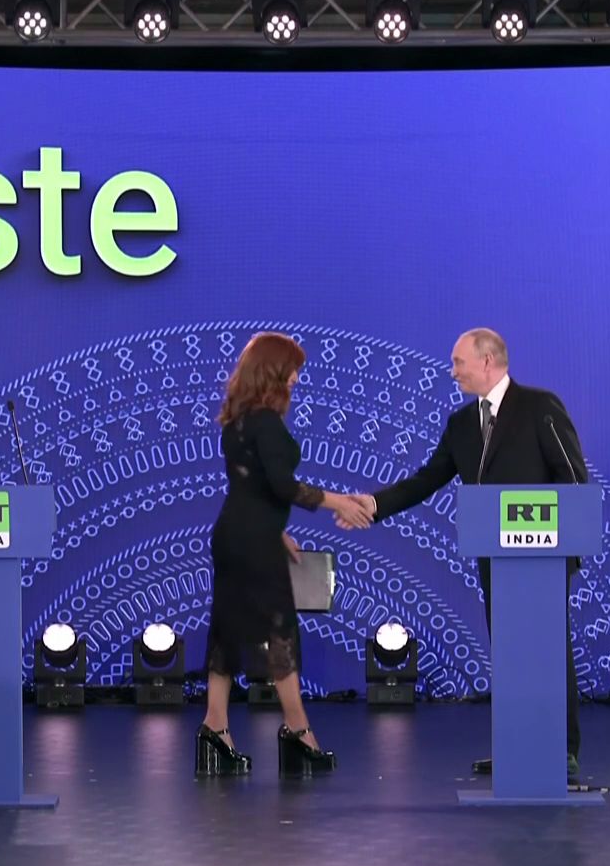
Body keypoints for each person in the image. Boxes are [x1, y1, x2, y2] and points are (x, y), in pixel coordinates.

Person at [349, 328, 589, 780]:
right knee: (510, 653)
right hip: (495, 558)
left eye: (459, 362)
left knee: (549, 651)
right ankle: (519, 747)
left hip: (543, 558)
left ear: (488, 360)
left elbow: (573, 478)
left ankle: (562, 750)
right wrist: (375, 505)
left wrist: (565, 539)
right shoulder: (461, 424)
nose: (453, 371)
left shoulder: (539, 407)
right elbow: (427, 479)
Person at [198, 332, 373, 777]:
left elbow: (250, 486)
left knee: (227, 631)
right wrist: (338, 502)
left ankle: (214, 730)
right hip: (253, 540)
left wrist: (276, 532)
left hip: (234, 536)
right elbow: (280, 486)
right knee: (280, 631)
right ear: (274, 371)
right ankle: (298, 733)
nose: (296, 378)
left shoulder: (236, 422)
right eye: (292, 369)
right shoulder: (267, 423)